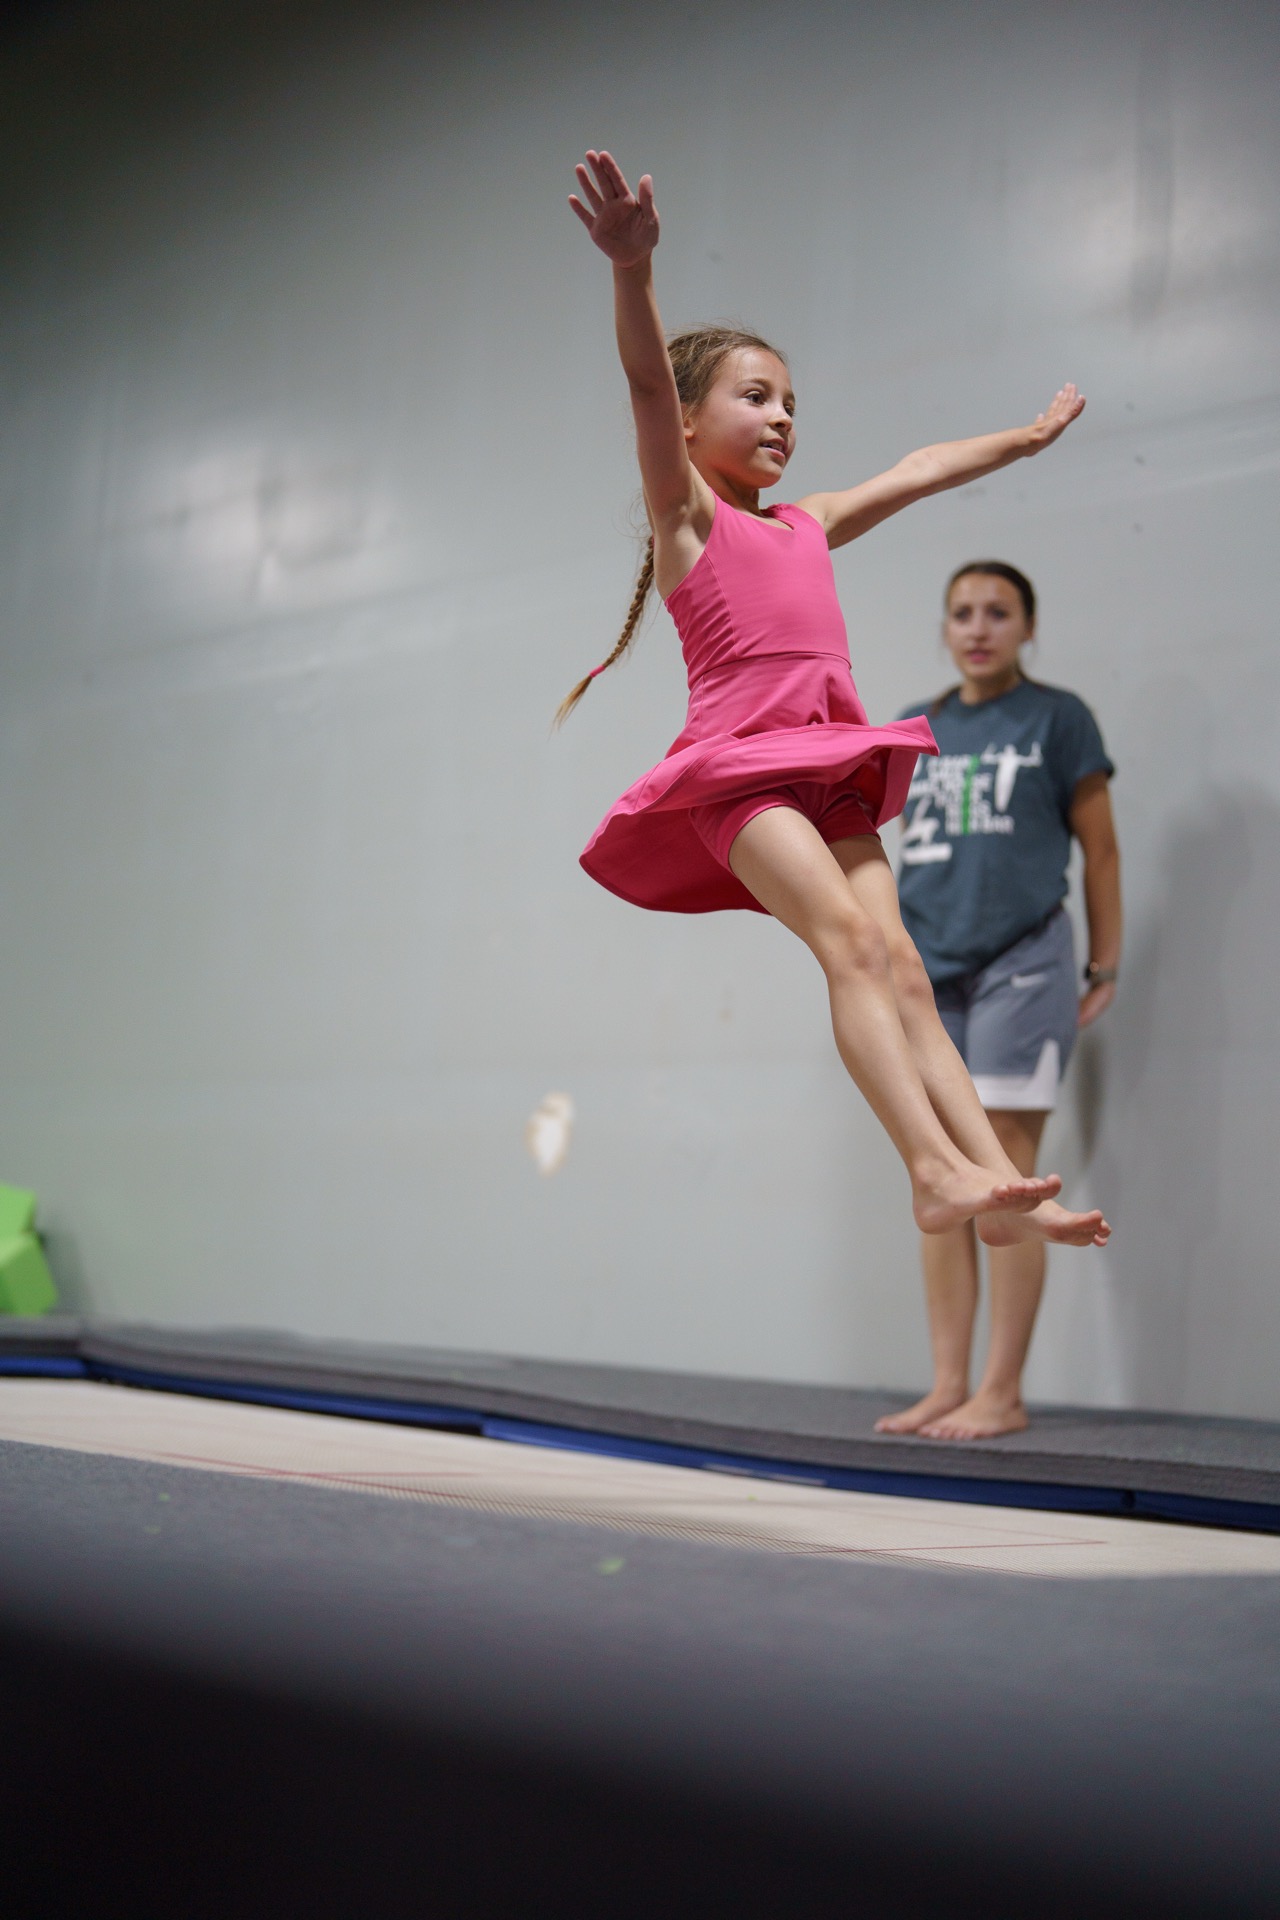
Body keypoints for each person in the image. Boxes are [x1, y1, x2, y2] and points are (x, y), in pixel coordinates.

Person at [563, 149, 1110, 1260]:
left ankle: (1003, 1185)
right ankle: (928, 1171)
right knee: (852, 952)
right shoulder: (688, 524)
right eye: (753, 397)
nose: (779, 419)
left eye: (790, 404)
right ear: (685, 419)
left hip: (822, 767)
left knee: (899, 961)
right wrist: (632, 272)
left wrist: (1024, 439)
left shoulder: (804, 522)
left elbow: (914, 468)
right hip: (740, 777)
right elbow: (636, 383)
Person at [875, 563, 1120, 1438]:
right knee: (942, 1177)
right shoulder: (917, 727)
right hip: (930, 971)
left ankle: (1002, 1392)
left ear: (1027, 626)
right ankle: (949, 1381)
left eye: (998, 613)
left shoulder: (1059, 719)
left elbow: (1099, 851)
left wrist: (1105, 967)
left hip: (1025, 960)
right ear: (945, 628)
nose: (979, 628)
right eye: (962, 614)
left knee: (1011, 1174)